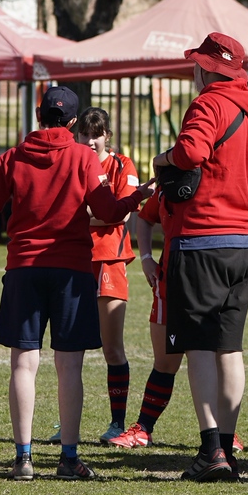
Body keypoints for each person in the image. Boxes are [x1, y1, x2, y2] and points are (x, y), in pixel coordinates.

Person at [0, 87, 152, 482]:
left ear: (38, 115)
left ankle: (23, 458)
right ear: (72, 123)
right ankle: (69, 458)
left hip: (23, 268)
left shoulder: (12, 157)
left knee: (23, 363)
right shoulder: (84, 157)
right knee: (70, 366)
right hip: (72, 270)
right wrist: (140, 196)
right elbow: (108, 210)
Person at [150, 33, 248, 483]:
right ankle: (226, 447)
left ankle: (211, 450)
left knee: (199, 347)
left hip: (200, 239)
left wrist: (162, 157)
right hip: (240, 244)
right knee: (230, 348)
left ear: (206, 69)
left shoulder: (209, 104)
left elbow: (191, 152)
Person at [75, 107, 141, 443]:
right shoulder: (72, 161)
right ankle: (68, 422)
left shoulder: (122, 165)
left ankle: (117, 422)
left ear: (107, 136)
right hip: (73, 259)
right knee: (69, 348)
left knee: (111, 347)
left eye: (96, 134)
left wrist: (80, 214)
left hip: (108, 262)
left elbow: (119, 214)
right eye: (84, 134)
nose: (89, 141)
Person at [107, 192, 187, 448]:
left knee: (218, 357)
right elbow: (145, 217)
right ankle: (143, 428)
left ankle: (225, 434)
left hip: (215, 278)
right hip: (172, 276)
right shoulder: (171, 184)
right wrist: (145, 258)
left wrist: (247, 262)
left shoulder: (229, 179)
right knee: (165, 361)